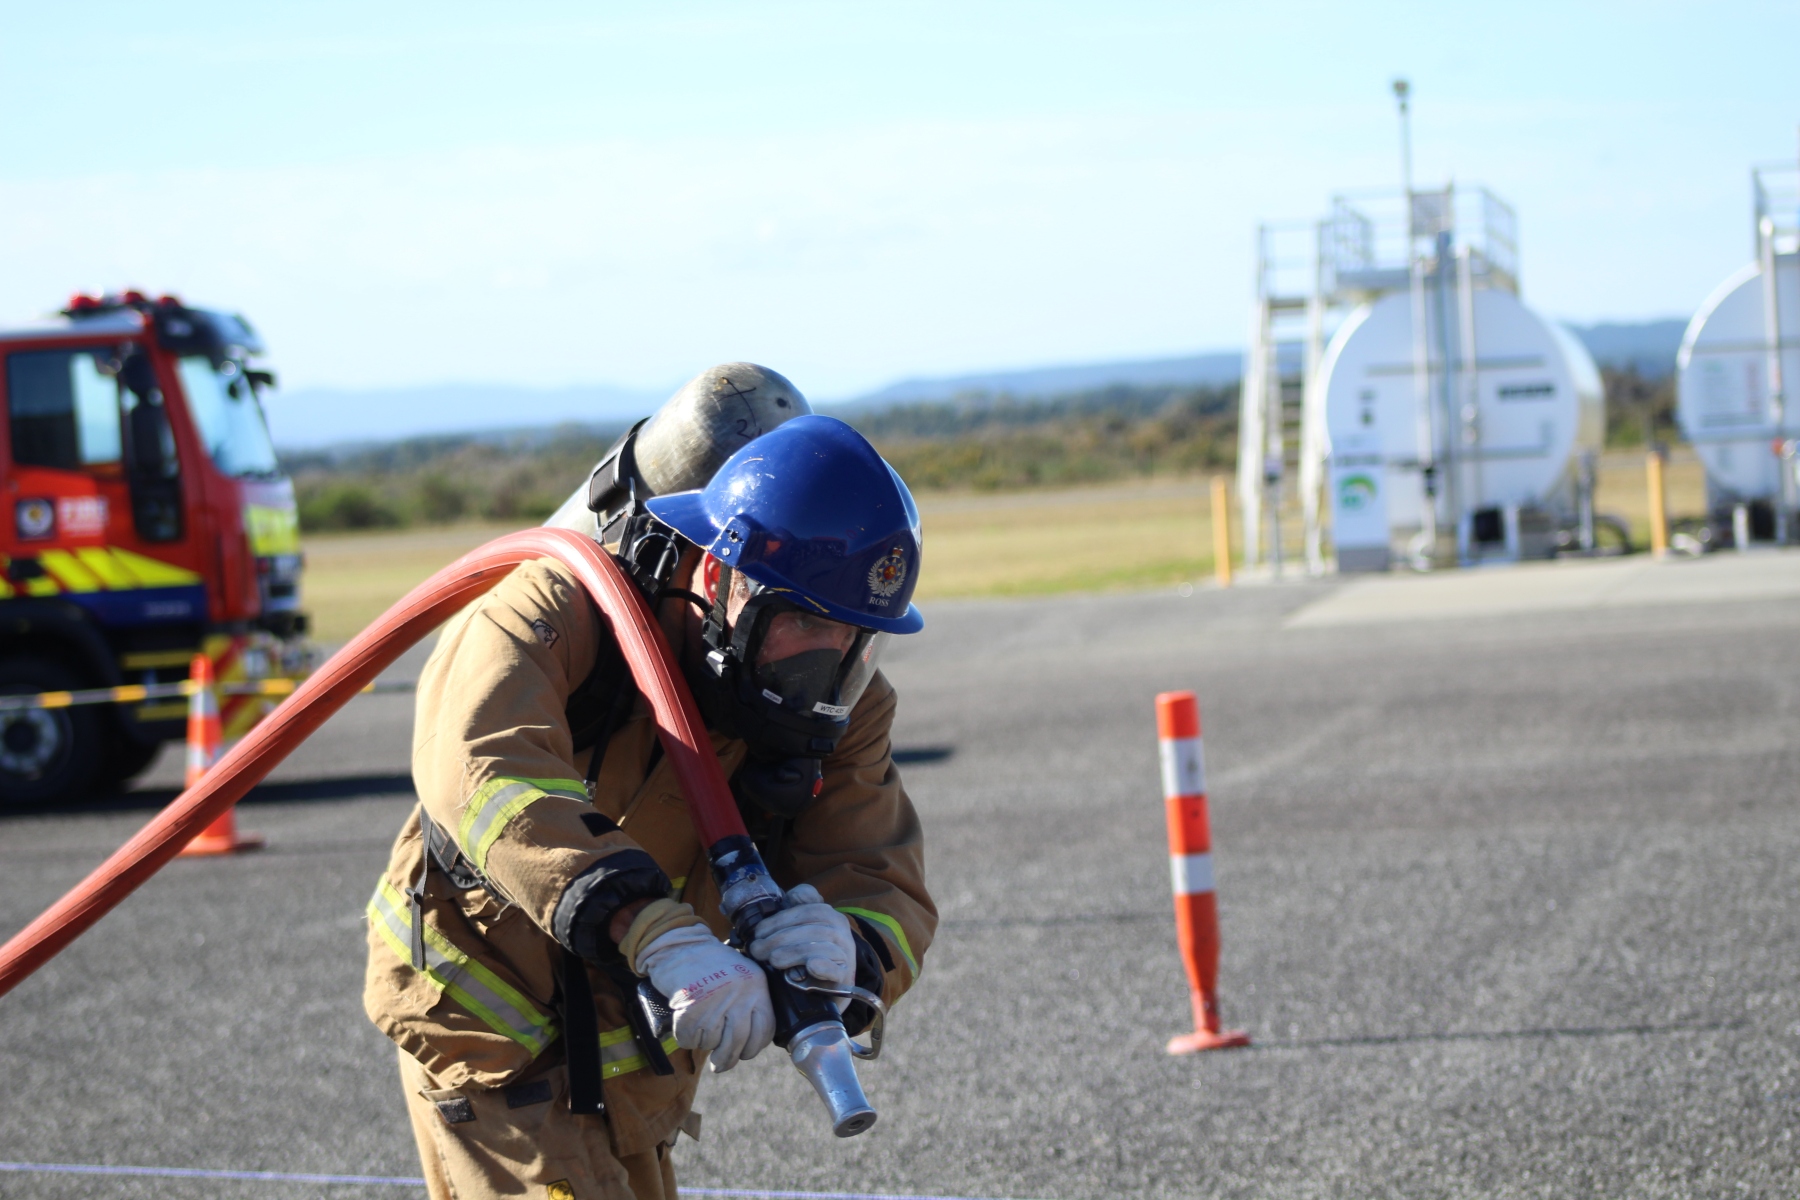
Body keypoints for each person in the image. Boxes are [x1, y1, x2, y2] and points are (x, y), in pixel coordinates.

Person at [362, 375, 935, 1200]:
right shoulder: (554, 609)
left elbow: (877, 865)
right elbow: (485, 771)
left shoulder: (845, 700)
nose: (831, 657)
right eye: (806, 621)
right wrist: (649, 926)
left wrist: (855, 949)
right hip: (491, 1026)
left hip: (636, 1054)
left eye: (857, 634)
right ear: (721, 580)